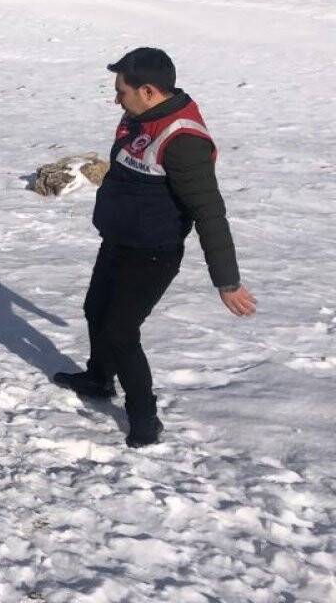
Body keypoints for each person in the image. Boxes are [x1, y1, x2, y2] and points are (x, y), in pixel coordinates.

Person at [54, 47, 257, 448]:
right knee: (95, 309)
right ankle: (99, 379)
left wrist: (227, 281)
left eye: (121, 91)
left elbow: (209, 212)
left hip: (152, 253)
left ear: (148, 91)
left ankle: (144, 416)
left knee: (120, 331)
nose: (116, 99)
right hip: (119, 238)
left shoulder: (183, 140)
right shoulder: (139, 117)